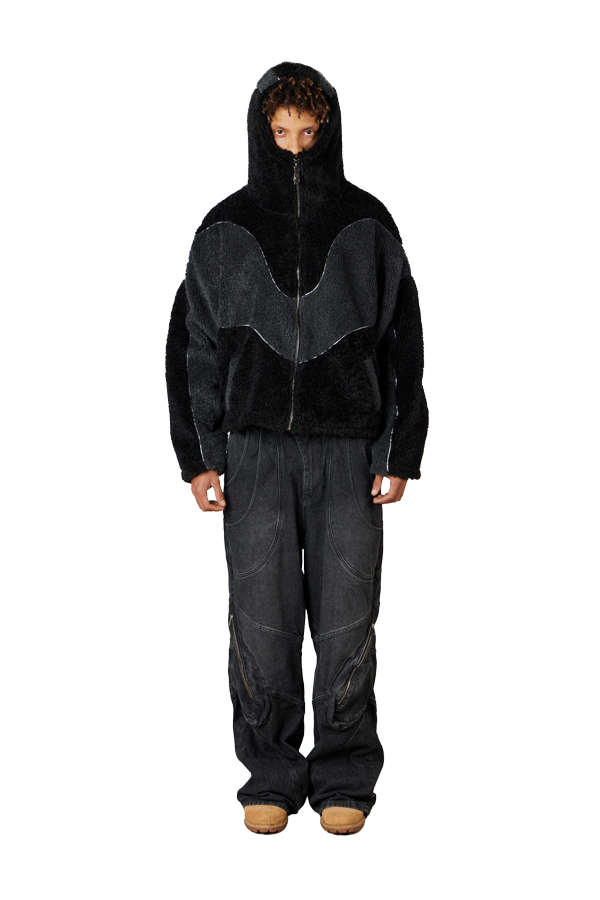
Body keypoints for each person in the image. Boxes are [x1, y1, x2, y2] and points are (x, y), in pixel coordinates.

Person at [165, 61, 428, 835]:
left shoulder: (368, 223)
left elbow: (402, 341)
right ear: (261, 132)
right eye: (281, 133)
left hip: (349, 452)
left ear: (329, 132)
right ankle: (271, 774)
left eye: (308, 133)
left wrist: (399, 448)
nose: (295, 148)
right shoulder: (225, 228)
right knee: (261, 621)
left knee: (348, 621)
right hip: (253, 453)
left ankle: (344, 773)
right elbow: (193, 346)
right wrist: (199, 454)